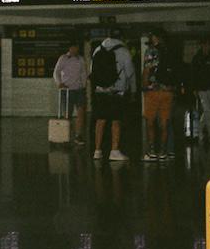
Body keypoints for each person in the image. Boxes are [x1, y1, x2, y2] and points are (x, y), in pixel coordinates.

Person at [91, 28, 136, 162]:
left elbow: (92, 72)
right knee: (116, 121)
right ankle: (114, 151)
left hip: (100, 91)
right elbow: (129, 73)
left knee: (100, 121)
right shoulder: (124, 51)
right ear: (121, 37)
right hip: (117, 92)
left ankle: (97, 151)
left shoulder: (98, 50)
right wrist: (132, 90)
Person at [142, 31, 175, 161]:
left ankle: (151, 151)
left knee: (150, 121)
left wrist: (144, 86)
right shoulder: (170, 51)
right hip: (168, 91)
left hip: (153, 91)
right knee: (164, 122)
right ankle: (163, 151)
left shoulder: (151, 52)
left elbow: (147, 70)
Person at [52, 39, 87, 145]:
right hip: (67, 90)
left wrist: (84, 85)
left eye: (77, 48)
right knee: (67, 114)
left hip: (79, 89)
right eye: (73, 47)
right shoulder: (63, 58)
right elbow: (56, 72)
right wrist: (59, 83)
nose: (75, 50)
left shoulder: (80, 59)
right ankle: (65, 135)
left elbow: (83, 73)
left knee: (81, 111)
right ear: (70, 48)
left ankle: (78, 135)